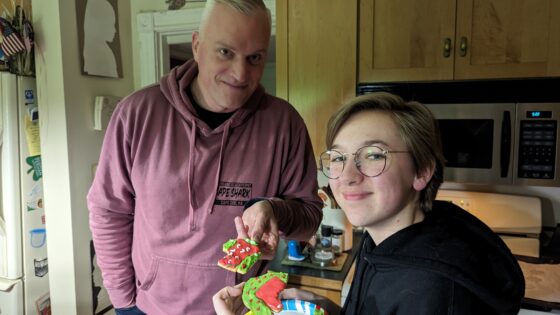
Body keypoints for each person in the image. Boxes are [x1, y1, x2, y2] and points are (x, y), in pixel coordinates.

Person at [87, 0, 323, 314]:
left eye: (254, 58)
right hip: (147, 308)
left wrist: (274, 209)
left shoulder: (285, 123)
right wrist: (123, 300)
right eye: (226, 52)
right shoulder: (136, 114)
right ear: (197, 46)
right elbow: (108, 211)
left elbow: (309, 216)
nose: (241, 74)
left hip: (240, 309)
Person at [213, 92, 525, 314]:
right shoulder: (387, 241)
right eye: (338, 158)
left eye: (373, 155)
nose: (347, 176)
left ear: (422, 170)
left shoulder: (432, 290)